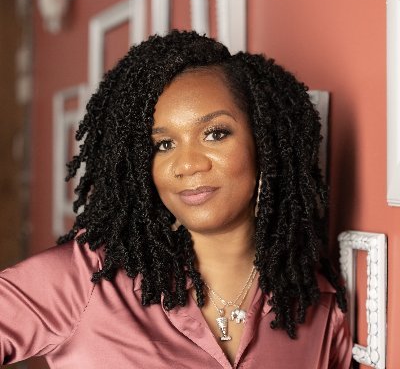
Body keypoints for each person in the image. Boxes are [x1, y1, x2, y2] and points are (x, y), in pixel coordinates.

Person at [0, 30, 352, 368]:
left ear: (264, 143)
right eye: (164, 144)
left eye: (215, 134)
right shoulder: (83, 281)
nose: (187, 164)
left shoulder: (319, 307)